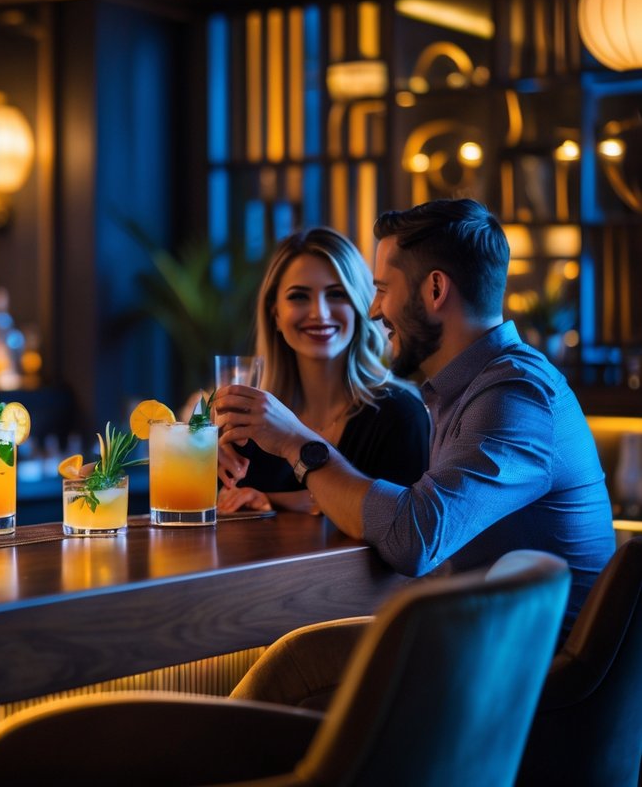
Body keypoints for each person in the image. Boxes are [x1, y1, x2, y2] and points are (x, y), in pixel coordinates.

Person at [216, 199, 615, 645]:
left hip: (537, 688)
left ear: (435, 289)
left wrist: (297, 444)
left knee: (288, 665)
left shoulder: (515, 396)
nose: (374, 310)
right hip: (488, 655)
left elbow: (413, 538)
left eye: (383, 288)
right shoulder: (469, 388)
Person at [218, 227, 429, 515]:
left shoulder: (400, 415)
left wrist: (275, 501)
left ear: (361, 306)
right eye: (299, 297)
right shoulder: (250, 421)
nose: (320, 313)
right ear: (275, 314)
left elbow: (400, 525)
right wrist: (206, 461)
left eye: (336, 294)